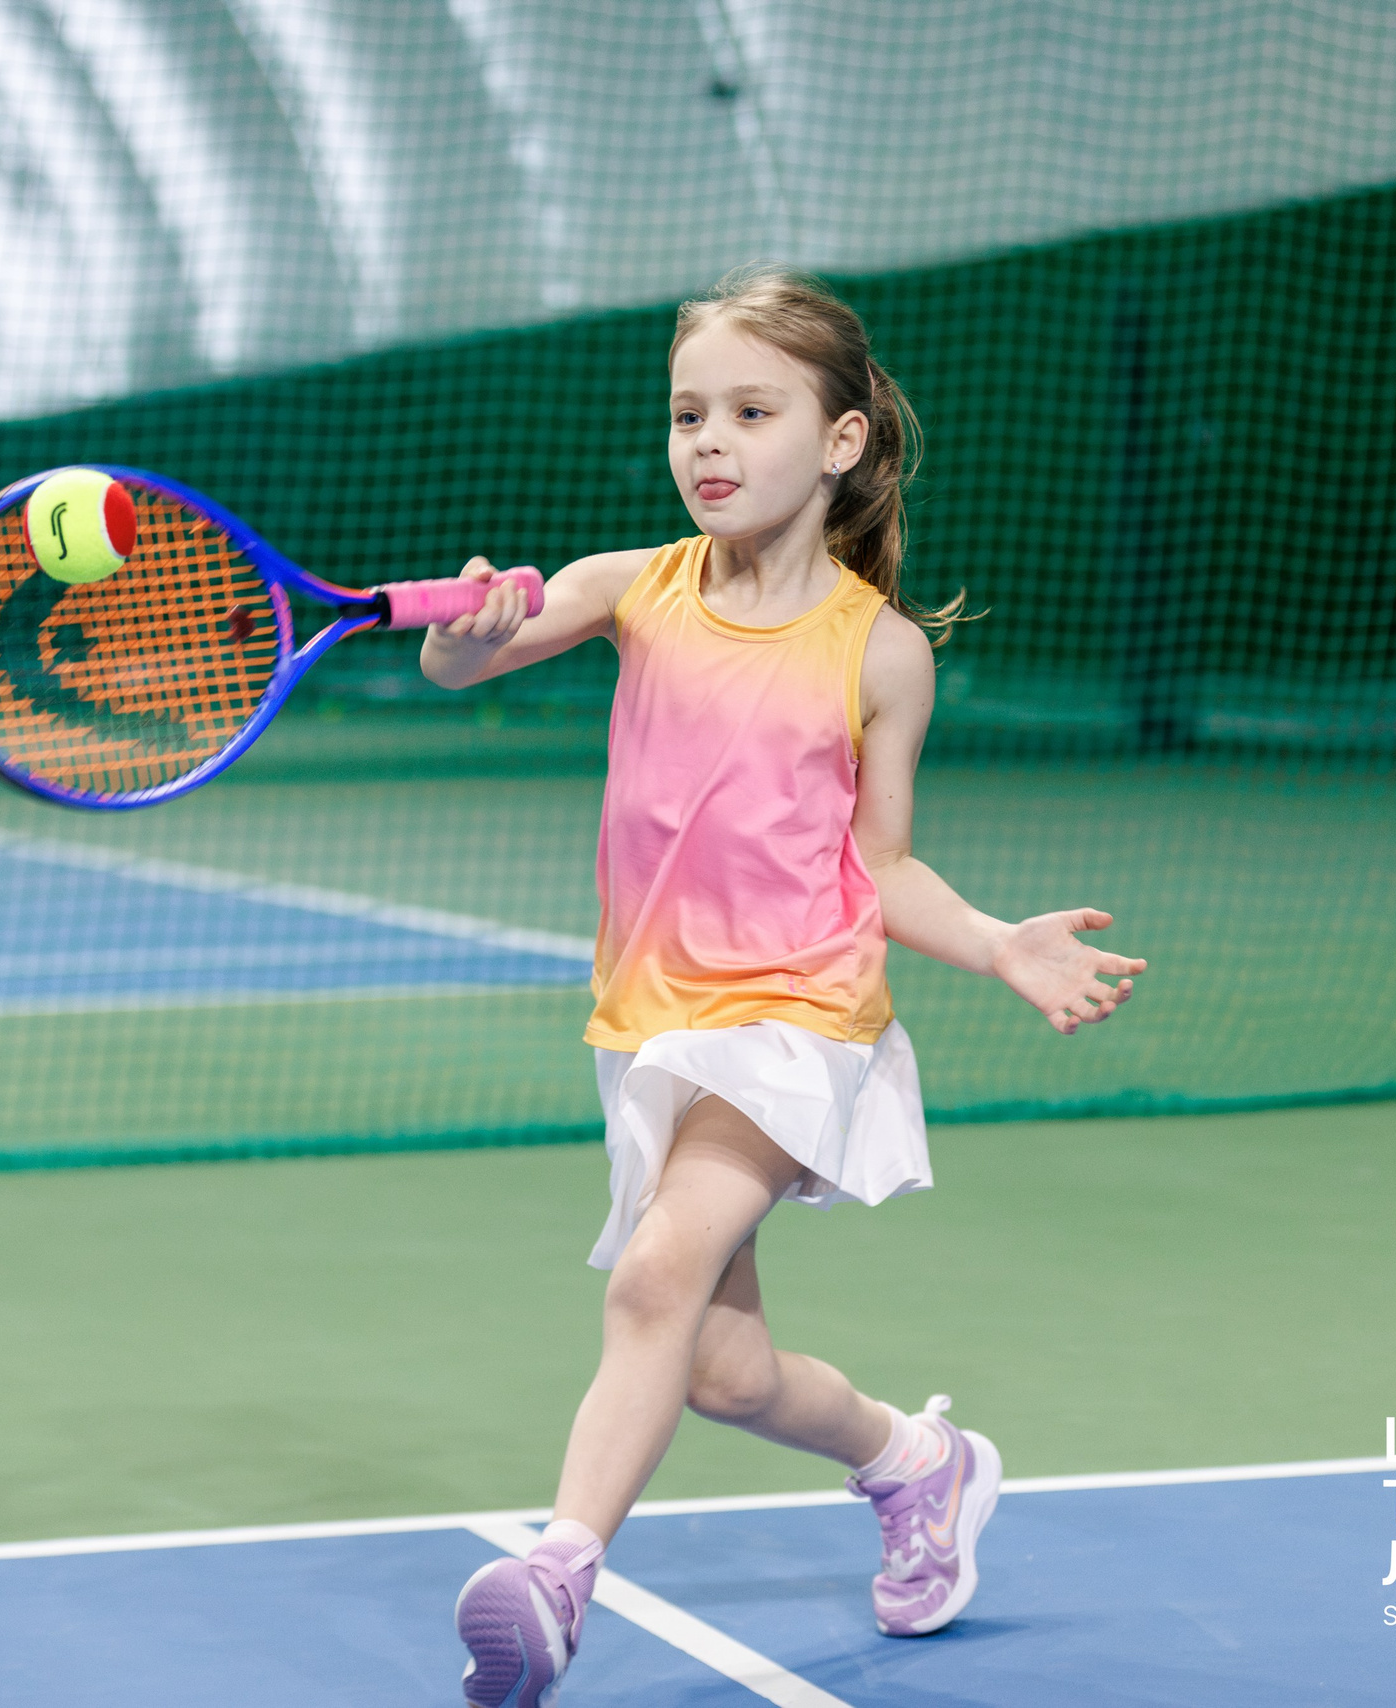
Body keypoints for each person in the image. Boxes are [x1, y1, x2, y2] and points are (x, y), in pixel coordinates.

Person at [422, 266, 1147, 1708]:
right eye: (690, 411)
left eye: (752, 410)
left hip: (800, 1018)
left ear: (839, 441)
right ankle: (916, 1463)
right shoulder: (634, 586)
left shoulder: (881, 651)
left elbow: (882, 863)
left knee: (654, 1279)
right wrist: (471, 622)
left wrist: (1001, 941)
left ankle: (562, 1572)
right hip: (654, 1021)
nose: (709, 440)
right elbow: (464, 662)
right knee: (721, 1372)